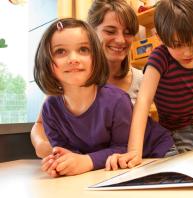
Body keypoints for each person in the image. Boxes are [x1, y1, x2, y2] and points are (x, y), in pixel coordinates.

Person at [34, 18, 173, 177]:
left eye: (83, 49)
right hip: (114, 169)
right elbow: (66, 152)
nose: (73, 58)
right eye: (60, 51)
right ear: (45, 61)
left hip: (157, 152)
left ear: (96, 57)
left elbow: (124, 149)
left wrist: (86, 161)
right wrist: (60, 163)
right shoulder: (50, 110)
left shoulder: (118, 100)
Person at [111, 0, 193, 168]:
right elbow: (143, 101)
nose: (188, 52)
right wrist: (134, 151)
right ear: (161, 38)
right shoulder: (159, 59)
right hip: (175, 133)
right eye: (178, 45)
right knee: (186, 171)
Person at [31, 0, 143, 159]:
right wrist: (45, 147)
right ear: (92, 32)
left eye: (128, 32)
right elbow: (40, 125)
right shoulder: (64, 86)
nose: (120, 40)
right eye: (110, 31)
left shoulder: (139, 83)